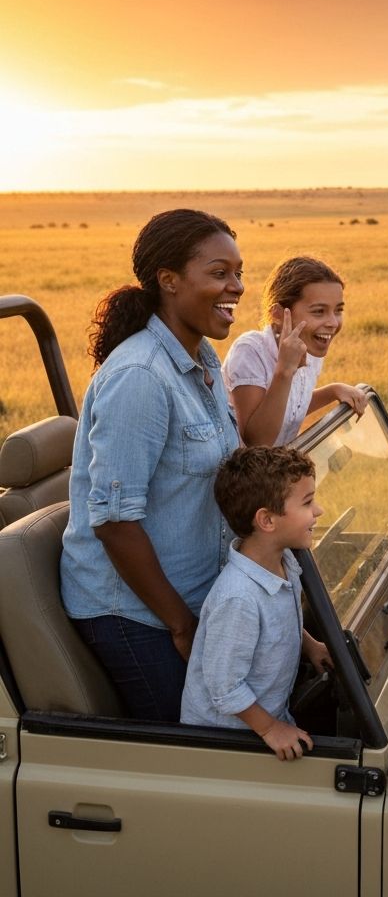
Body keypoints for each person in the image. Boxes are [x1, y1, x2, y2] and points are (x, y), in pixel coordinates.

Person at [61, 209, 243, 722]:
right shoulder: (140, 377)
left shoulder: (204, 360)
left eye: (239, 272)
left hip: (191, 595)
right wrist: (182, 625)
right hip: (137, 613)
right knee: (192, 756)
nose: (237, 287)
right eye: (219, 273)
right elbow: (116, 523)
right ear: (168, 280)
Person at [180, 446, 332, 760]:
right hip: (227, 746)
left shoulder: (285, 560)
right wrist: (270, 728)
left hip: (263, 720)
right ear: (266, 520)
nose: (319, 511)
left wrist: (311, 645)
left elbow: (277, 622)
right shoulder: (238, 599)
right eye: (307, 502)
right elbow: (225, 687)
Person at [222, 255, 367, 446]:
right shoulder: (250, 351)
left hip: (278, 468)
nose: (332, 322)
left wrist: (333, 391)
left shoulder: (308, 347)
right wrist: (285, 370)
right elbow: (257, 442)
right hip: (242, 470)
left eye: (338, 310)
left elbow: (291, 409)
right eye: (318, 311)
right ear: (278, 314)